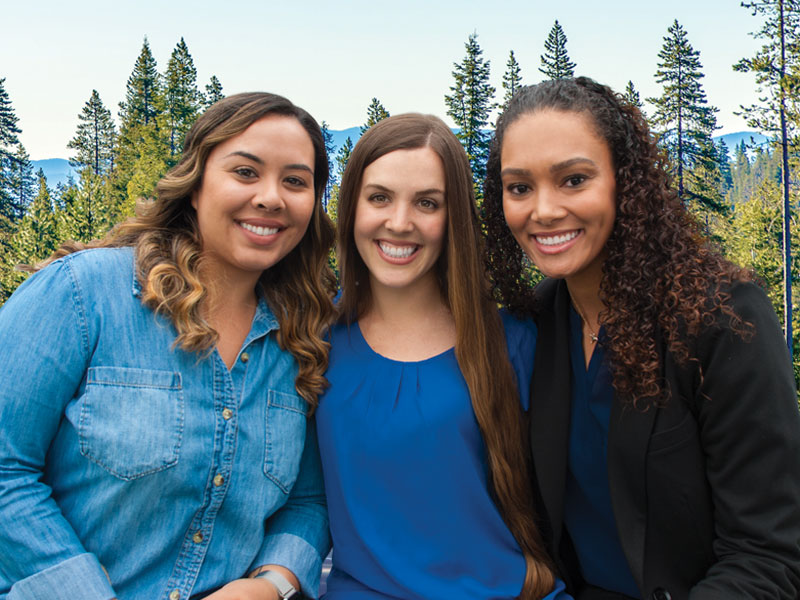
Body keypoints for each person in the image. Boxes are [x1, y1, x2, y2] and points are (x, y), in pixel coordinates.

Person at [0, 92, 336, 600]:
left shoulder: (304, 336)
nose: (271, 197)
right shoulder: (82, 295)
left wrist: (272, 584)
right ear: (196, 186)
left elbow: (309, 499)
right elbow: (6, 470)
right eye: (245, 172)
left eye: (295, 180)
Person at [483, 76, 800, 600]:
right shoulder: (533, 325)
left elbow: (769, 555)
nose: (542, 210)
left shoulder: (720, 319)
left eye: (573, 180)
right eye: (519, 187)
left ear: (623, 183)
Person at [315, 113, 569, 600]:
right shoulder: (312, 339)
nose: (400, 223)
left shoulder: (514, 340)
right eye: (379, 197)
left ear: (453, 218)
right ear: (351, 208)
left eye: (427, 203)